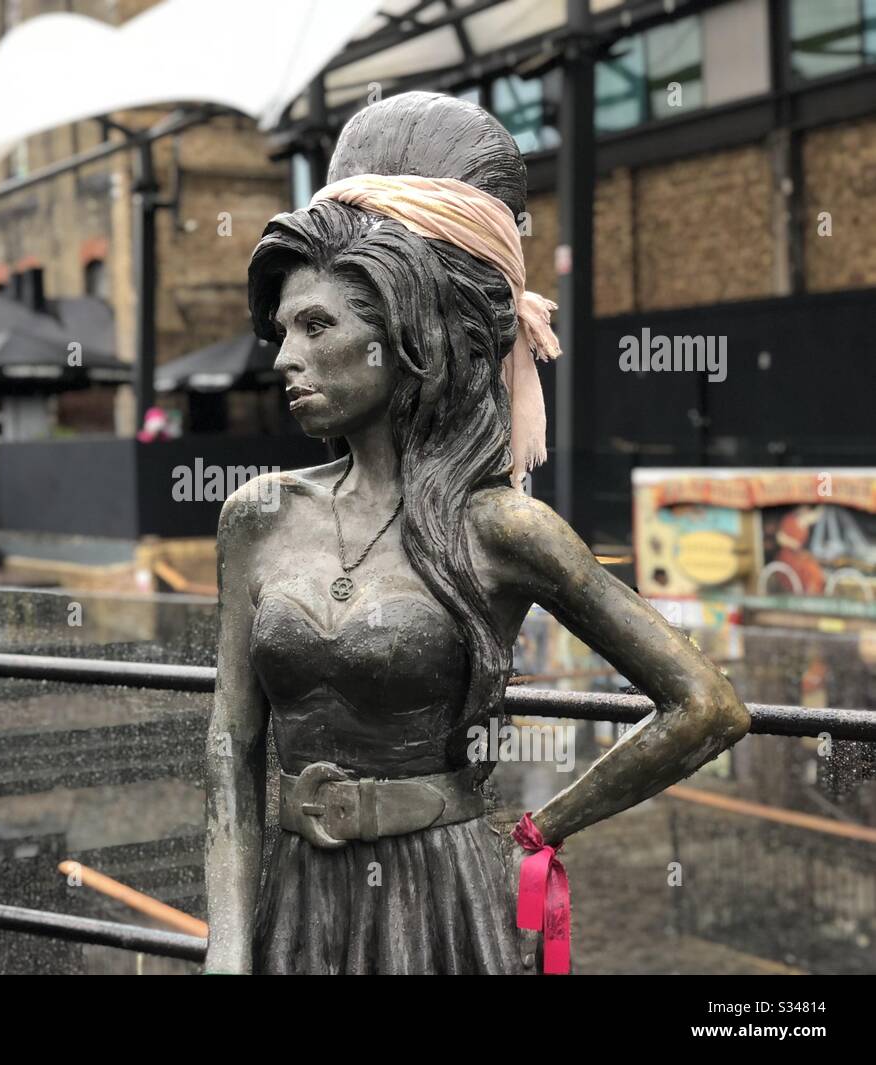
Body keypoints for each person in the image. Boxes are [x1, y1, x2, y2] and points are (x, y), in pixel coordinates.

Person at [203, 92, 751, 976]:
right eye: (280, 331)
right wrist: (227, 947)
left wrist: (540, 829)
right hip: (296, 899)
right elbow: (232, 745)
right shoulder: (255, 517)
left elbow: (707, 705)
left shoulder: (503, 528)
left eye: (317, 326)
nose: (283, 359)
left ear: (403, 335)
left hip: (444, 899)